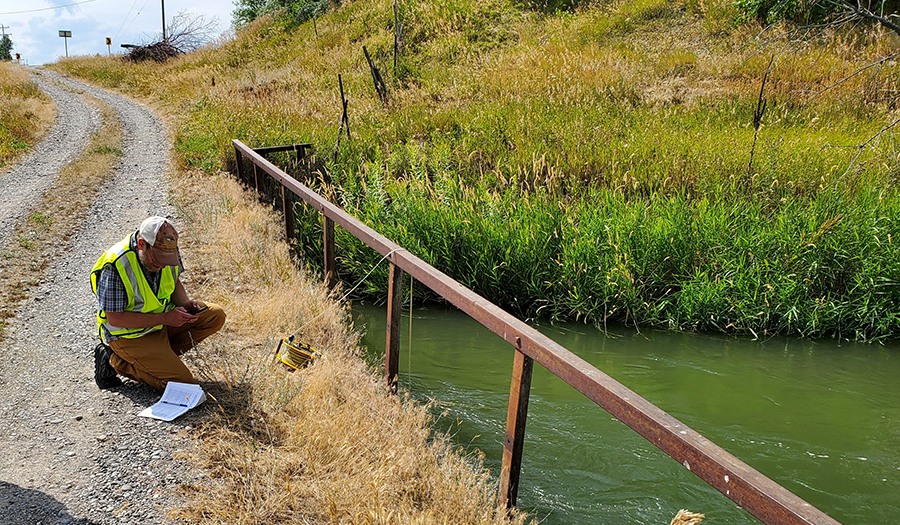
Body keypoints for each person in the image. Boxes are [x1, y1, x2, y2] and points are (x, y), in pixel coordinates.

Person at [90, 216, 226, 391]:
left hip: (160, 324)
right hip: (129, 335)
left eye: (167, 260)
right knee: (183, 385)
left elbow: (173, 280)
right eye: (157, 260)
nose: (162, 265)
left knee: (215, 315)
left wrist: (184, 303)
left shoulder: (167, 249)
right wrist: (165, 318)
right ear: (141, 244)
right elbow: (115, 319)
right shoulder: (115, 265)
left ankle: (158, 359)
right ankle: (113, 360)